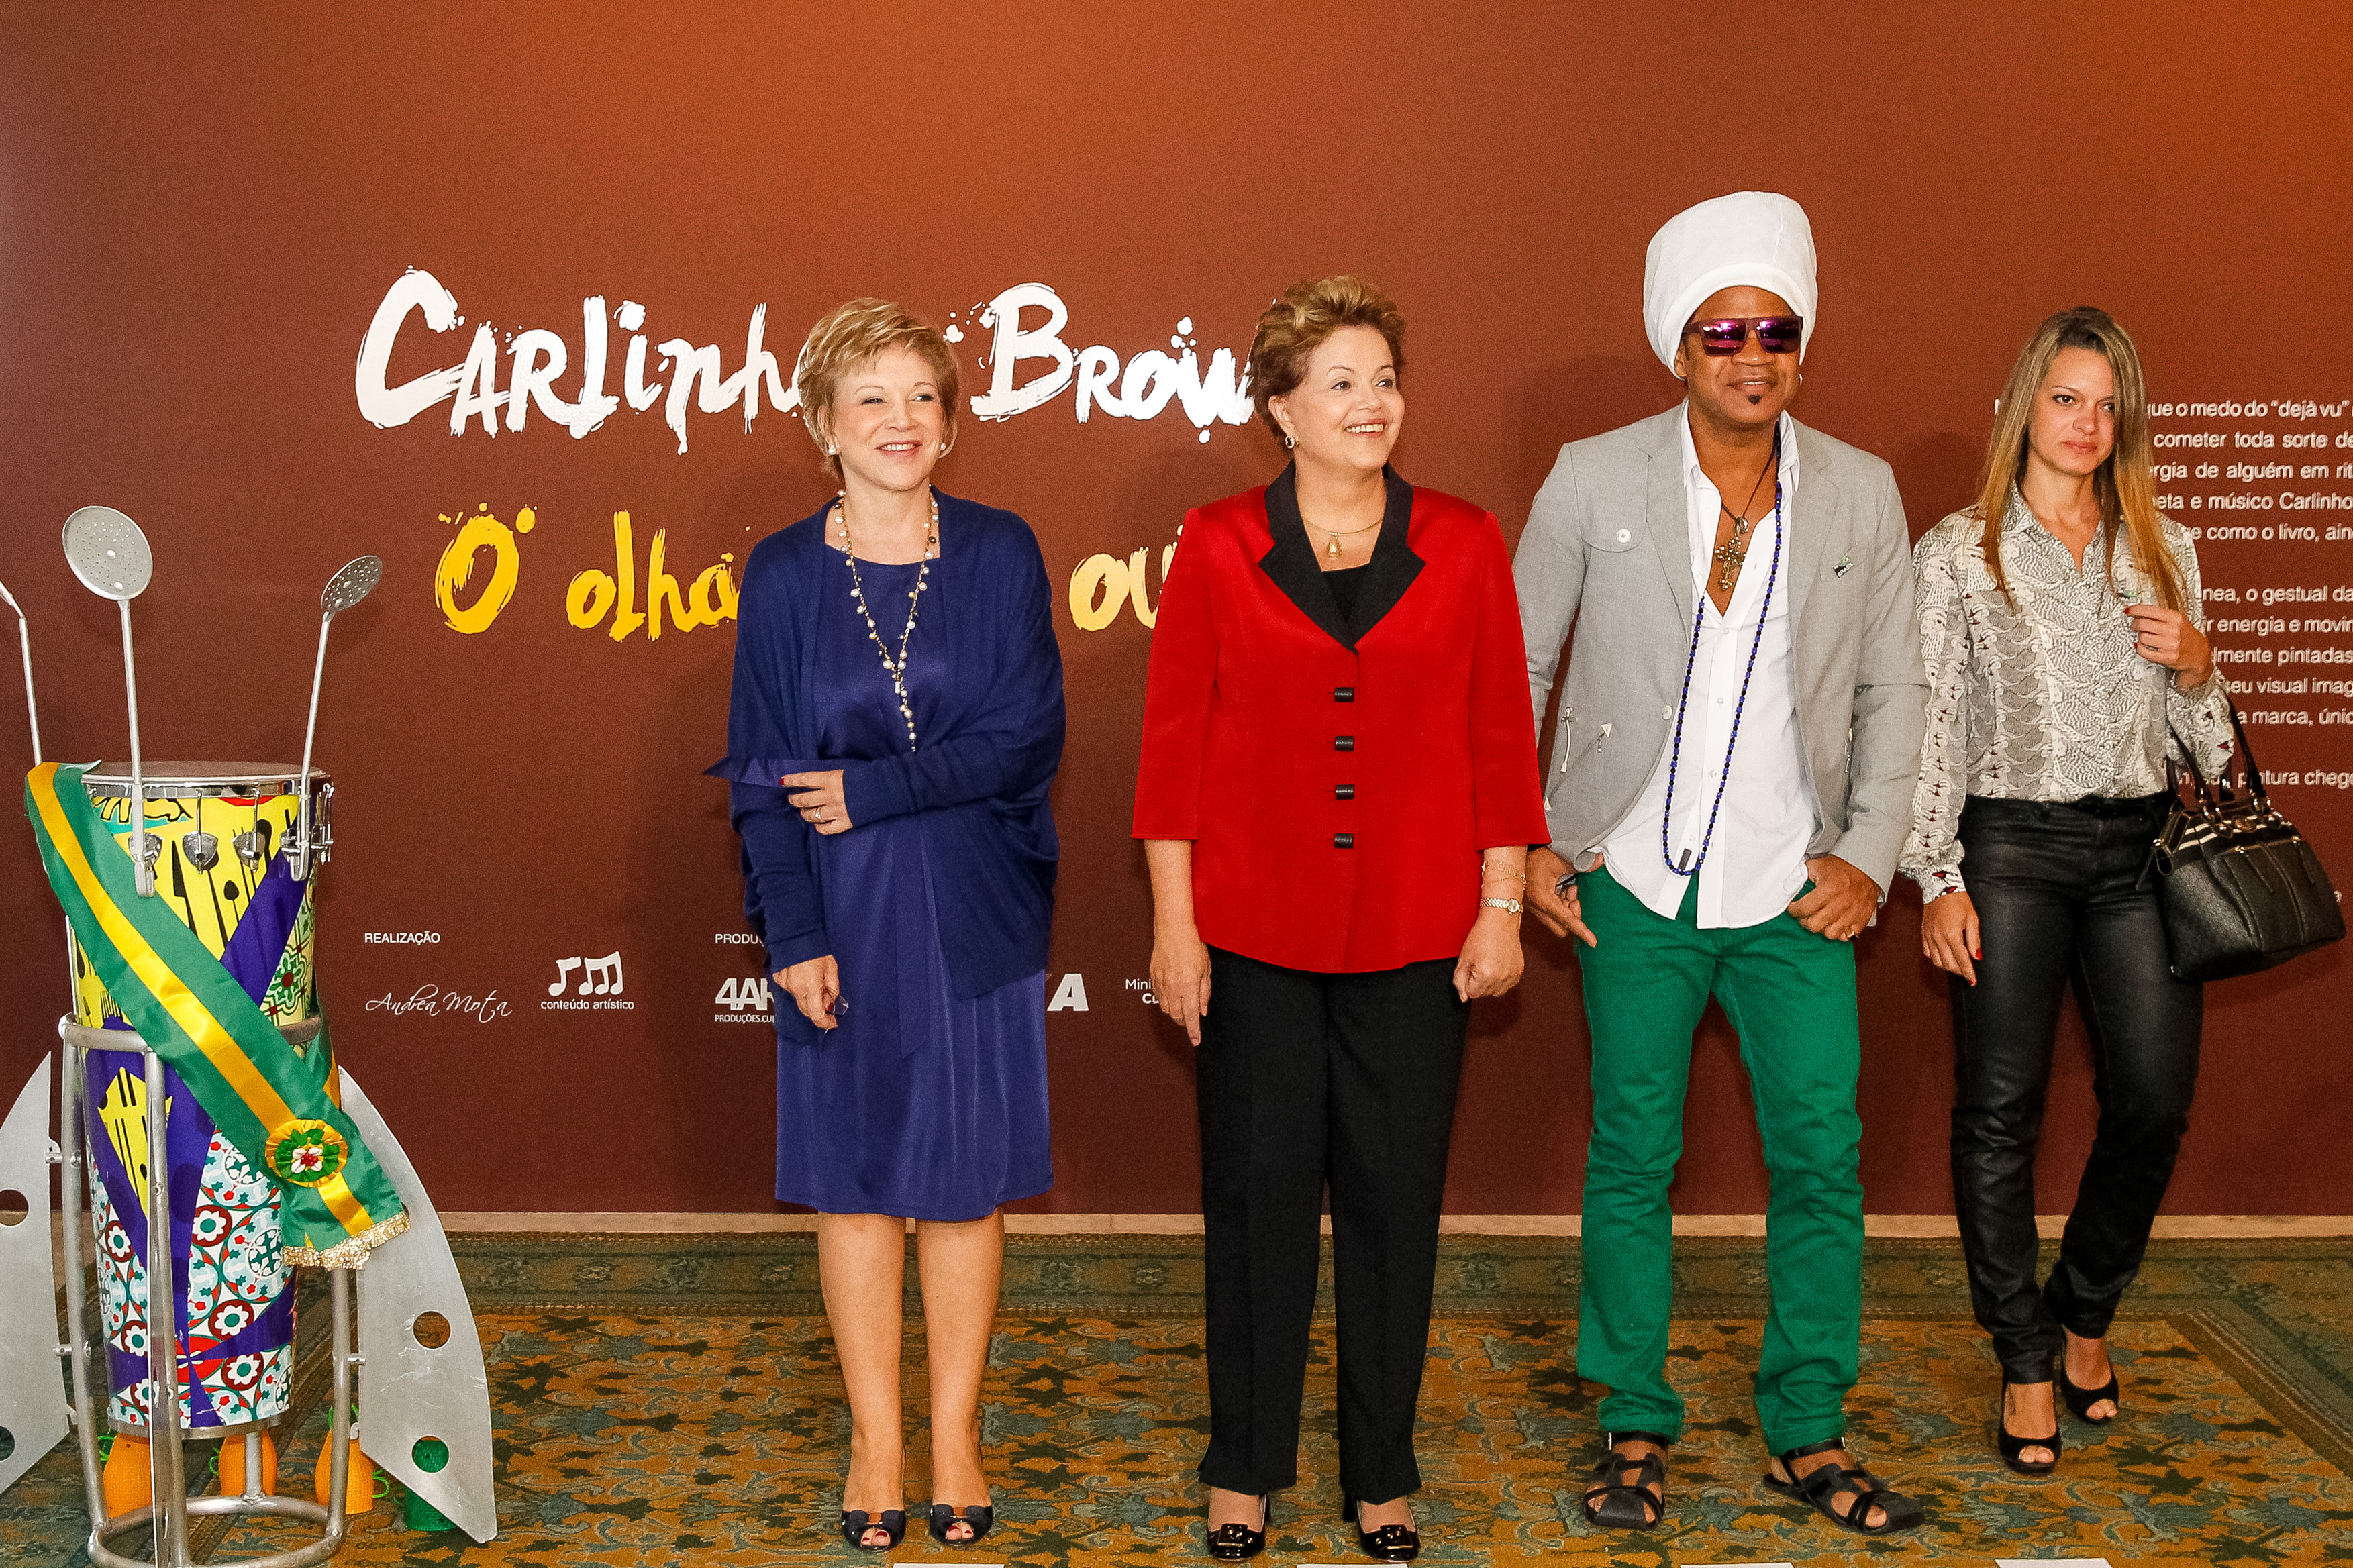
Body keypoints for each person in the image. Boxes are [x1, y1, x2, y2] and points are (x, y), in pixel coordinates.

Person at [1515, 192, 1929, 1536]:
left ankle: (1806, 1425)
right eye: (1722, 332)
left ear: (1800, 345)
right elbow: (1514, 665)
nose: (1752, 356)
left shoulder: (1860, 487)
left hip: (1791, 889)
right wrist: (1522, 839)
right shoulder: (1591, 474)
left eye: (1775, 331)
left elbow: (1894, 686)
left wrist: (1867, 852)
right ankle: (1632, 1417)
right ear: (1678, 346)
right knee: (1632, 1150)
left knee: (1821, 1157)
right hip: (1631, 878)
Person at [1134, 276, 1547, 1562]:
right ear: (1280, 409)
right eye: (1339, 384)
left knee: (1391, 1208)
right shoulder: (1217, 541)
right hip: (1251, 938)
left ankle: (1381, 1469)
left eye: (1384, 379)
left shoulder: (1465, 540)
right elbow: (1170, 757)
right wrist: (1175, 927)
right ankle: (1245, 1463)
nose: (1371, 404)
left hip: (1418, 940)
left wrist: (1500, 906)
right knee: (1254, 1207)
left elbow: (1500, 738)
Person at [715, 297, 1064, 1552]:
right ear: (823, 423)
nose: (900, 420)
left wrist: (876, 789)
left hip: (976, 898)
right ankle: (877, 1439)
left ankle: (956, 1434)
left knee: (964, 1186)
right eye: (871, 397)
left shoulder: (1001, 549)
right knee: (856, 1186)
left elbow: (1025, 740)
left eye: (922, 396)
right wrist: (792, 934)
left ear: (951, 421)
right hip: (840, 909)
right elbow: (764, 776)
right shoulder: (782, 573)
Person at [1903, 306, 2230, 1475]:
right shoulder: (1959, 550)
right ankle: (2025, 1356)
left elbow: (2207, 747)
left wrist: (2198, 666)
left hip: (2140, 851)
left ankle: (2083, 1309)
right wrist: (1936, 875)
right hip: (2008, 849)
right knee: (1999, 1110)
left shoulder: (2163, 543)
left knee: (2152, 1099)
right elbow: (1930, 724)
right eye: (2065, 398)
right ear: (2022, 407)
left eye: (2105, 404)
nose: (2086, 423)